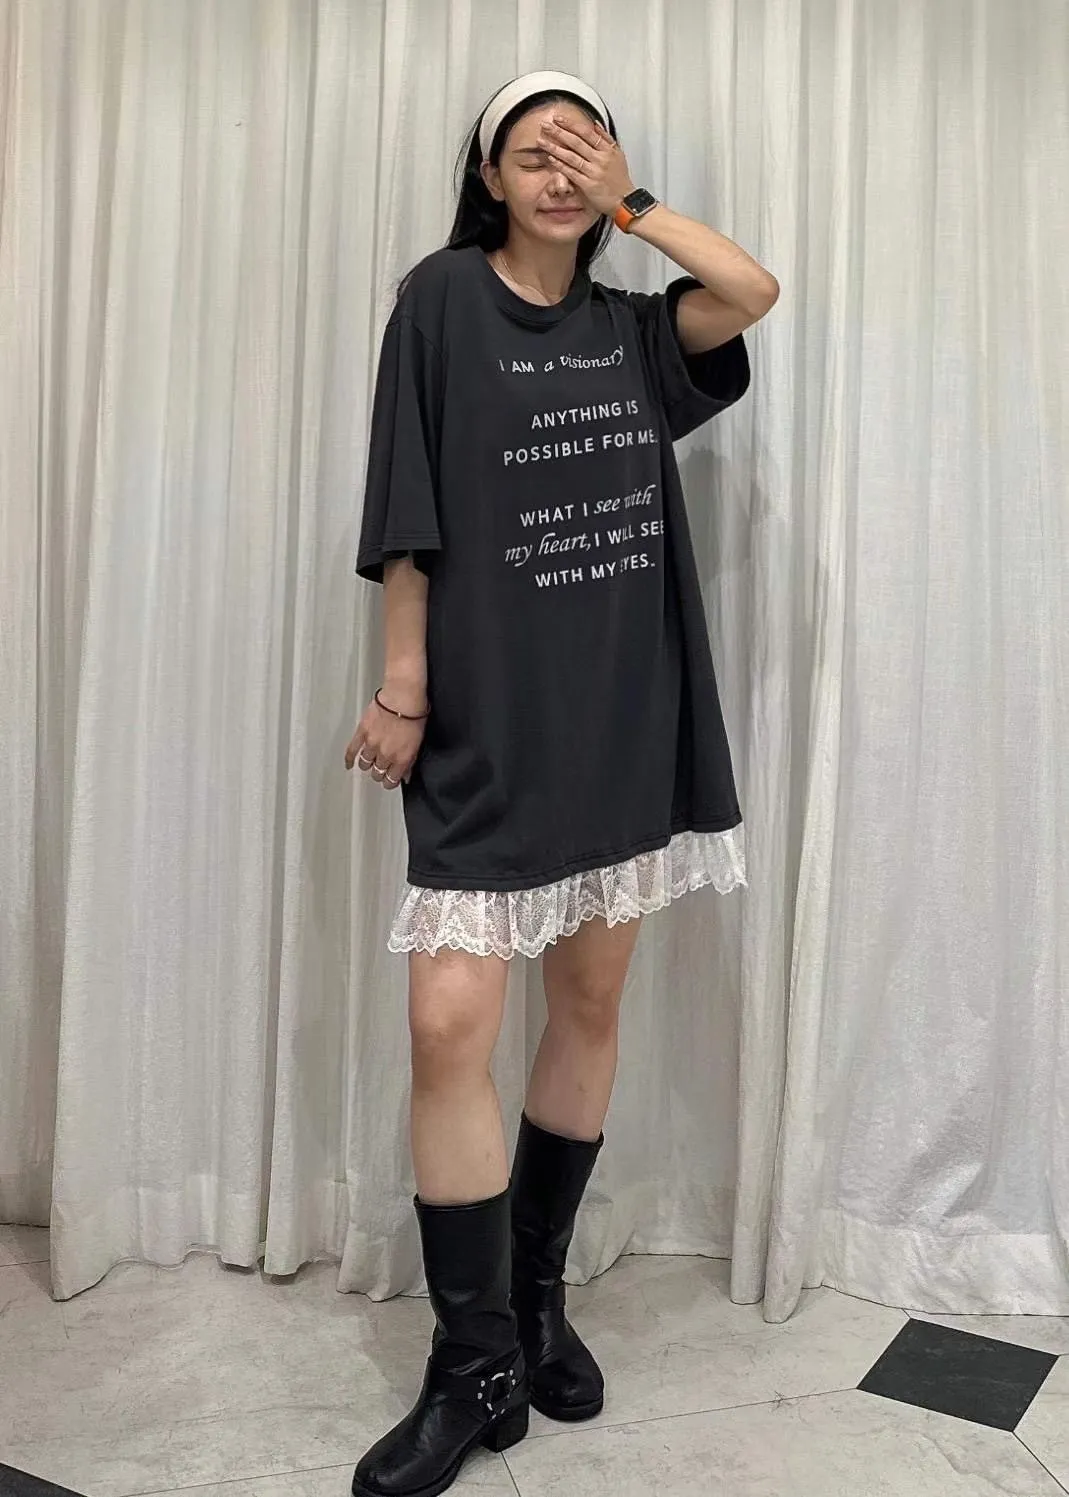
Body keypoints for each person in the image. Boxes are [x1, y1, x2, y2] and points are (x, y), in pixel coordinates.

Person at [345, 69, 778, 1497]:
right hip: (486, 717)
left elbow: (752, 290)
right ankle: (471, 1361)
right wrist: (404, 683)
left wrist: (633, 204)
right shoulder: (440, 302)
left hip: (620, 712)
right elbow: (408, 507)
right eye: (532, 153)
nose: (556, 174)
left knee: (588, 1004)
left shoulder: (638, 330)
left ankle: (534, 1309)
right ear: (488, 178)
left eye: (579, 154)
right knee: (448, 1024)